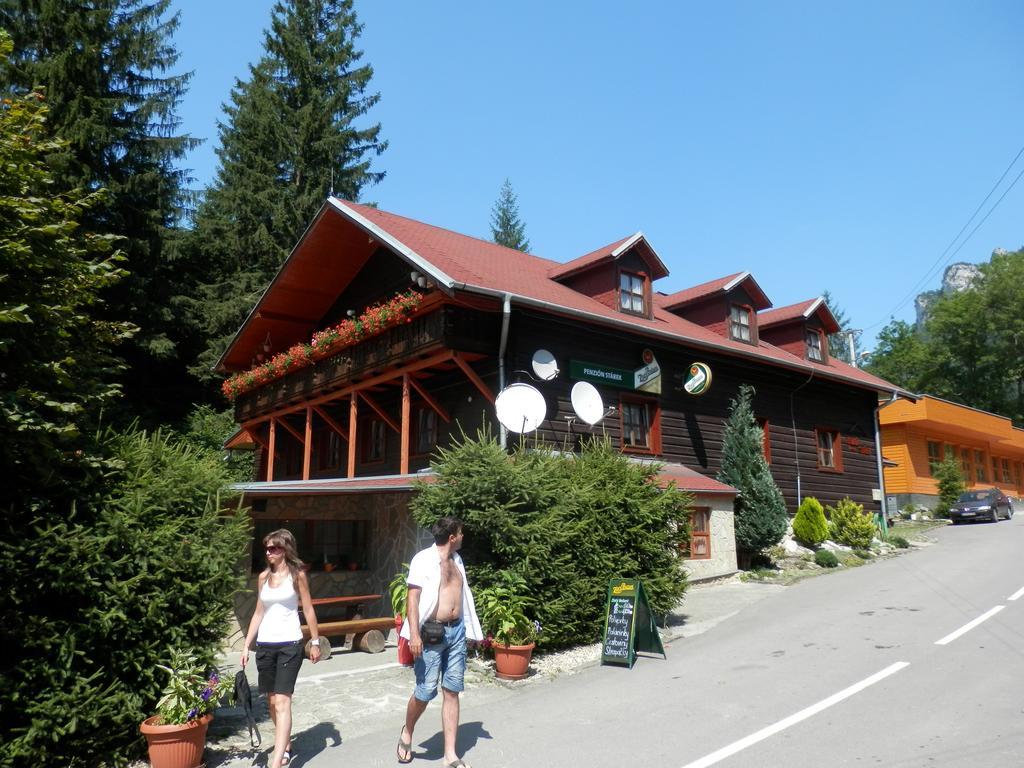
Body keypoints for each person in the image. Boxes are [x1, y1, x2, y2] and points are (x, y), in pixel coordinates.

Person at [397, 517, 482, 767]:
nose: (463, 537)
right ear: (452, 537)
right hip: (432, 634)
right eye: (461, 533)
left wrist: (472, 632)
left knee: (452, 690)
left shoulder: (457, 561)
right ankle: (408, 731)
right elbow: (412, 599)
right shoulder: (423, 559)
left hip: (456, 632)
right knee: (425, 692)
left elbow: (463, 597)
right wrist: (413, 634)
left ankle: (450, 756)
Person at [241, 529, 321, 768]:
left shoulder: (297, 576)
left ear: (285, 549)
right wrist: (246, 646)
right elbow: (258, 612)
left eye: (273, 548)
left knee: (283, 701)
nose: (269, 552)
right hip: (265, 645)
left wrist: (315, 641)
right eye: (266, 548)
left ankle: (276, 761)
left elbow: (308, 609)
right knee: (272, 701)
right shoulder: (263, 577)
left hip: (290, 644)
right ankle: (285, 742)